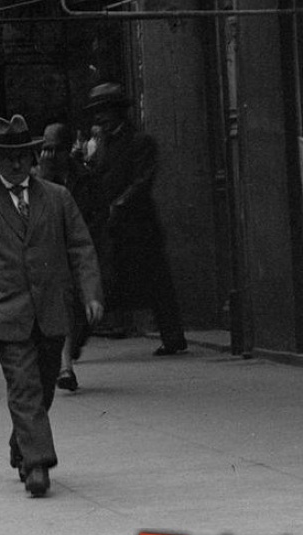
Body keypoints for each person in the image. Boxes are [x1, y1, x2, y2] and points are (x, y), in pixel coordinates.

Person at [0, 114, 104, 497]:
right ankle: (38, 464)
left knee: (44, 387)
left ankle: (21, 443)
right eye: (7, 157)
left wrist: (90, 293)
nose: (17, 163)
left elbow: (80, 247)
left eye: (23, 155)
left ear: (32, 156)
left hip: (51, 309)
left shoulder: (57, 197)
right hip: (5, 312)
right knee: (23, 385)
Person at [85, 82, 187, 356]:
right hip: (114, 227)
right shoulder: (104, 145)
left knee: (156, 283)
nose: (100, 119)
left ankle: (173, 337)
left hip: (139, 226)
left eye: (104, 112)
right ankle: (77, 341)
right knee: (104, 280)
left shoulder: (140, 142)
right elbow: (99, 179)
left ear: (118, 112)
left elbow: (143, 180)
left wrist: (121, 203)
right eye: (97, 113)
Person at [37, 122, 107, 392]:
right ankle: (65, 367)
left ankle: (69, 352)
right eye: (46, 149)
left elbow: (98, 215)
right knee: (63, 308)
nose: (51, 156)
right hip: (53, 255)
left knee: (85, 310)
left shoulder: (86, 178)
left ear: (69, 150)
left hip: (81, 248)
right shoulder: (40, 181)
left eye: (56, 150)